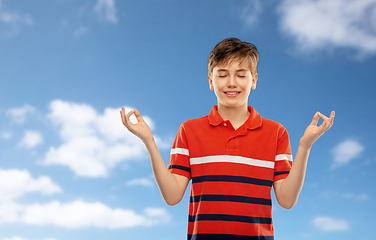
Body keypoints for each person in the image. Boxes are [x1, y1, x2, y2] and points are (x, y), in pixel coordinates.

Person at [120, 37, 335, 240]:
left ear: (254, 80)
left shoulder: (276, 132)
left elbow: (287, 201)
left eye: (241, 75)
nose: (232, 82)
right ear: (210, 81)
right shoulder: (189, 130)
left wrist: (305, 146)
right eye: (222, 74)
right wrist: (149, 141)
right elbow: (172, 195)